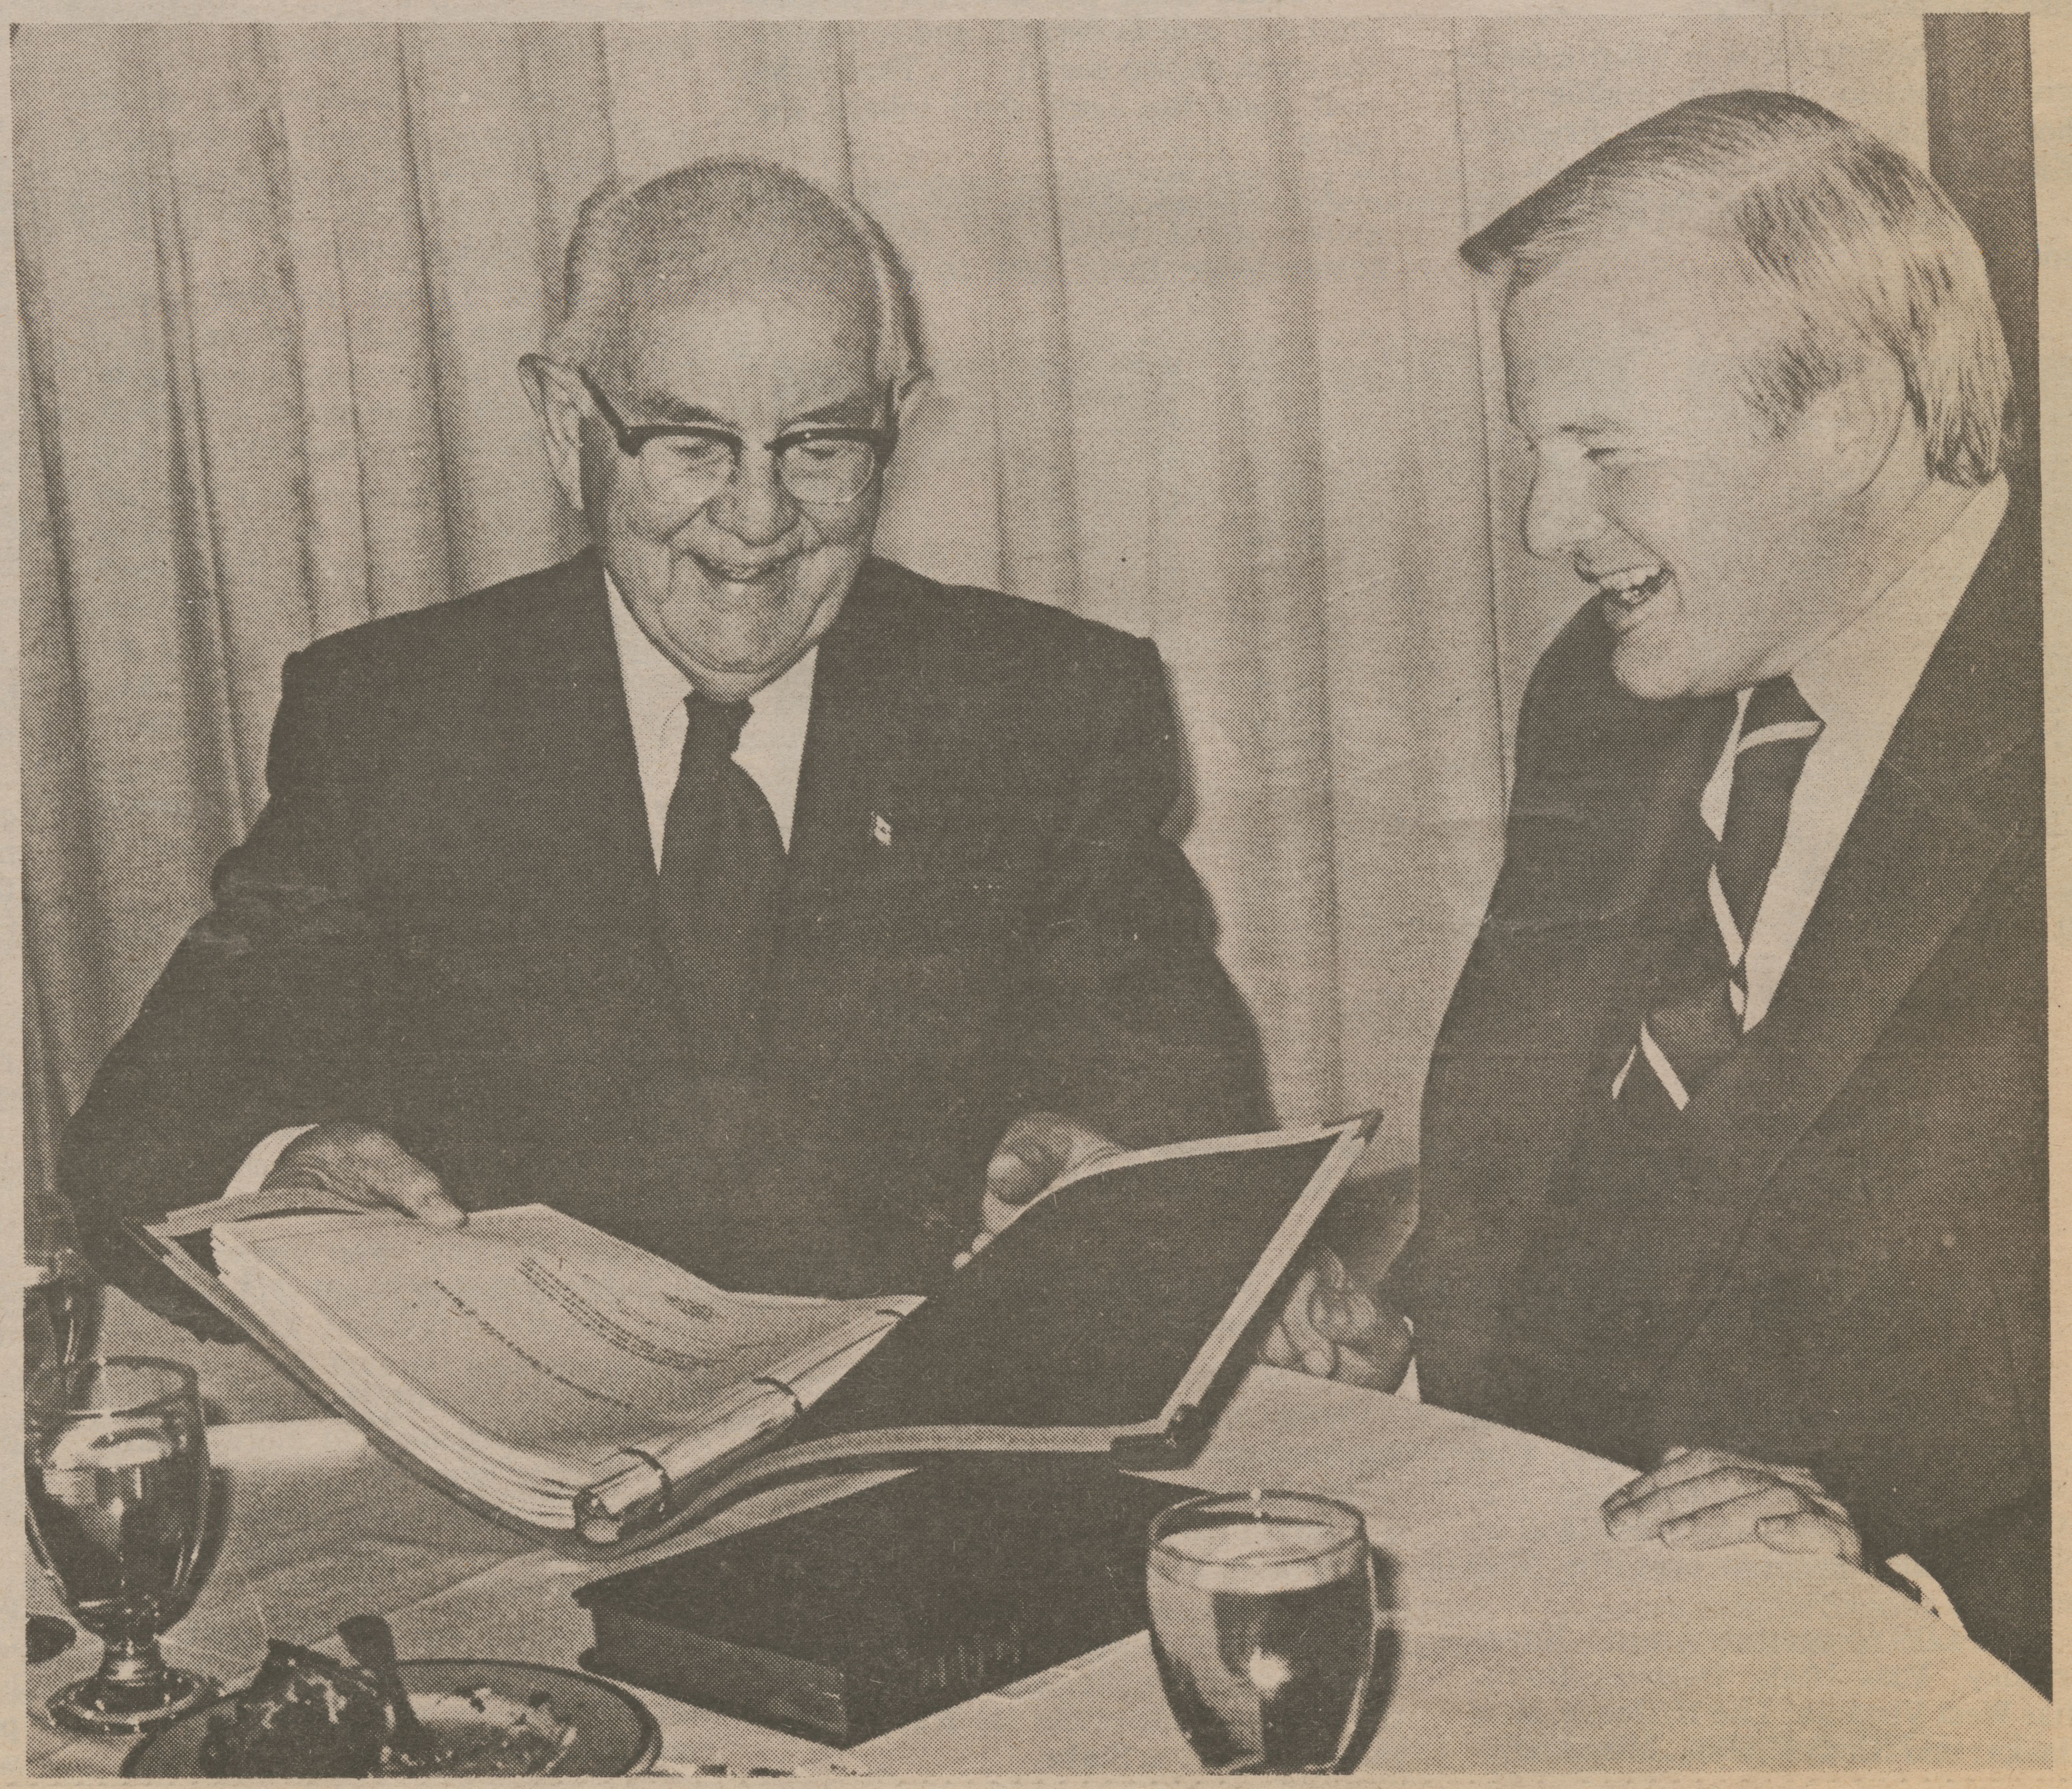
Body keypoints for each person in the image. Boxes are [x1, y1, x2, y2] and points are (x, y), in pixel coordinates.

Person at [61, 159, 1269, 1327]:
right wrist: (289, 1172)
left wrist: (1108, 1167)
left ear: (895, 426)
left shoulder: (1045, 708)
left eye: (820, 444)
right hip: (529, 1491)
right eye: (691, 442)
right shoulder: (396, 722)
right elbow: (147, 1132)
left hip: (916, 1475)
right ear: (563, 421)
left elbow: (1179, 1081)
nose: (758, 519)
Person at [1283, 91, 2046, 1691]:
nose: (1546, 526)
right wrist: (1410, 1348)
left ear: (1842, 417)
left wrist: (1901, 1581)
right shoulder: (1607, 693)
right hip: (1592, 1619)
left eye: (1605, 454)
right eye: (1537, 454)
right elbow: (1549, 1179)